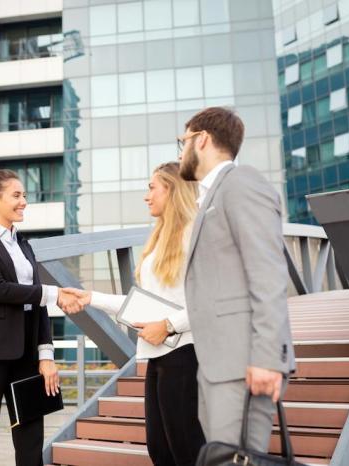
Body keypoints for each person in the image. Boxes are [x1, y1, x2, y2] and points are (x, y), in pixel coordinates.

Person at [68, 162, 206, 466]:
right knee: (160, 449)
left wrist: (169, 325)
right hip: (159, 356)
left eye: (152, 187)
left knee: (187, 450)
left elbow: (211, 299)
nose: (147, 196)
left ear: (171, 189)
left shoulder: (194, 236)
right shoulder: (159, 241)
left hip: (185, 353)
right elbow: (142, 305)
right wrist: (91, 297)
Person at [176, 107, 295, 452]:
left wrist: (268, 358)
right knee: (222, 458)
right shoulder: (213, 195)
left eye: (182, 142)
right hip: (220, 363)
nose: (180, 152)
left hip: (244, 362)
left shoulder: (241, 184)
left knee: (235, 460)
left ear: (202, 140)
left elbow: (269, 273)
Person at [0, 169, 85, 466]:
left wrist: (46, 355)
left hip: (26, 355)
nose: (24, 201)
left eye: (24, 195)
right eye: (16, 195)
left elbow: (37, 303)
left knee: (31, 438)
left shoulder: (24, 245)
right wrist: (54, 294)